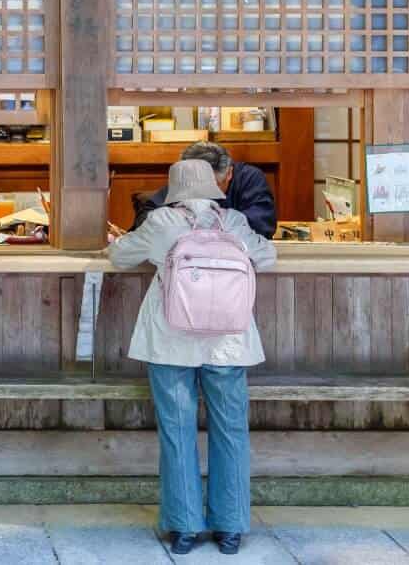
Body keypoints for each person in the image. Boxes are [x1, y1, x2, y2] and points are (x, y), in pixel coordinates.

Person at [108, 159, 277, 557]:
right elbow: (268, 257)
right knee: (231, 430)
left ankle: (184, 528)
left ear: (174, 190)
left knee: (177, 429)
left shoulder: (161, 223)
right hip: (228, 340)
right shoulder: (233, 222)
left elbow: (119, 258)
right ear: (214, 187)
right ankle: (230, 527)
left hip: (171, 340)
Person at [131, 141, 277, 238]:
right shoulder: (186, 179)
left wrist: (197, 226)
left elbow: (262, 225)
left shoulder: (249, 178)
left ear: (229, 173)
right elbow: (147, 216)